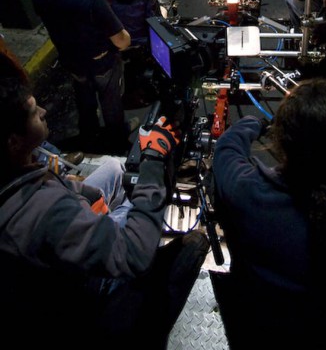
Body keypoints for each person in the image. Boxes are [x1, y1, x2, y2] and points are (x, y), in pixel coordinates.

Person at [0, 76, 209, 345]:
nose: (43, 111)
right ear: (13, 141)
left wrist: (79, 195)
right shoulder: (43, 211)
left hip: (52, 245)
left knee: (112, 167)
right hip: (84, 294)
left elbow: (57, 192)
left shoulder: (15, 172)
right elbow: (133, 254)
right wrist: (154, 161)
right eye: (33, 112)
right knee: (191, 243)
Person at [212, 78, 326, 350]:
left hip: (266, 333)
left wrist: (253, 123)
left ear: (282, 142)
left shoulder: (249, 194)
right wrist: (323, 115)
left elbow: (226, 148)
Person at [31, 0, 135, 153]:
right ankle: (117, 140)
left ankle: (90, 138)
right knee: (111, 103)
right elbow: (122, 40)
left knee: (84, 102)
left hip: (71, 62)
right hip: (101, 64)